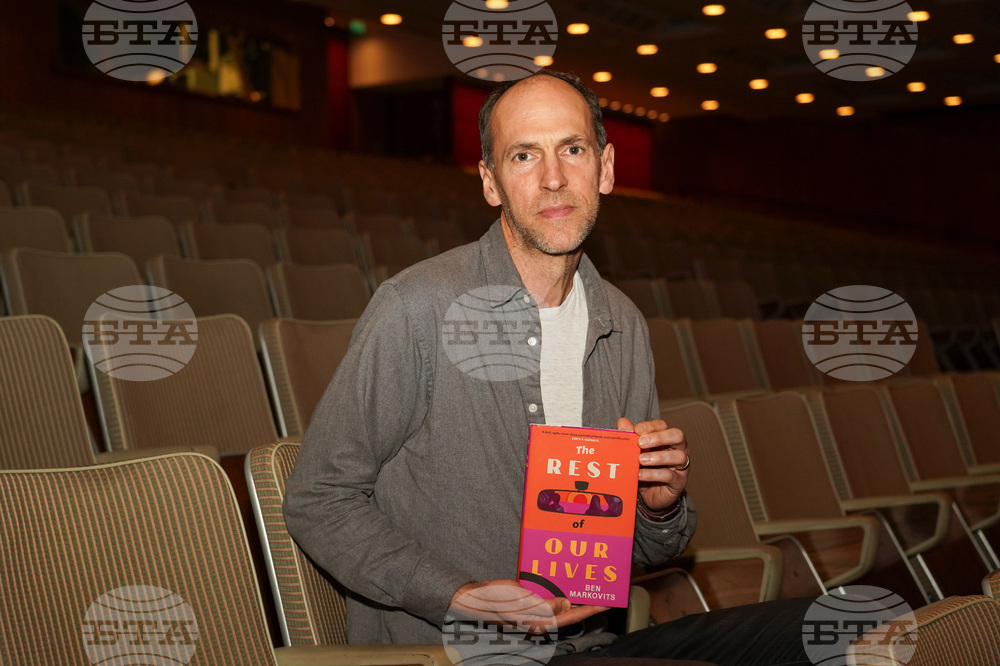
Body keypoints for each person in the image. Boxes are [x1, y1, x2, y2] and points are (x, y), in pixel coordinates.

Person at [284, 70, 814, 665]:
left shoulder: (622, 321)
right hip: (464, 653)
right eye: (524, 155)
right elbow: (318, 499)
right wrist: (456, 594)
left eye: (573, 149)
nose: (554, 177)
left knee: (833, 627)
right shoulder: (418, 308)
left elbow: (637, 555)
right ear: (491, 183)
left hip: (589, 643)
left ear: (605, 168)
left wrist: (656, 507)